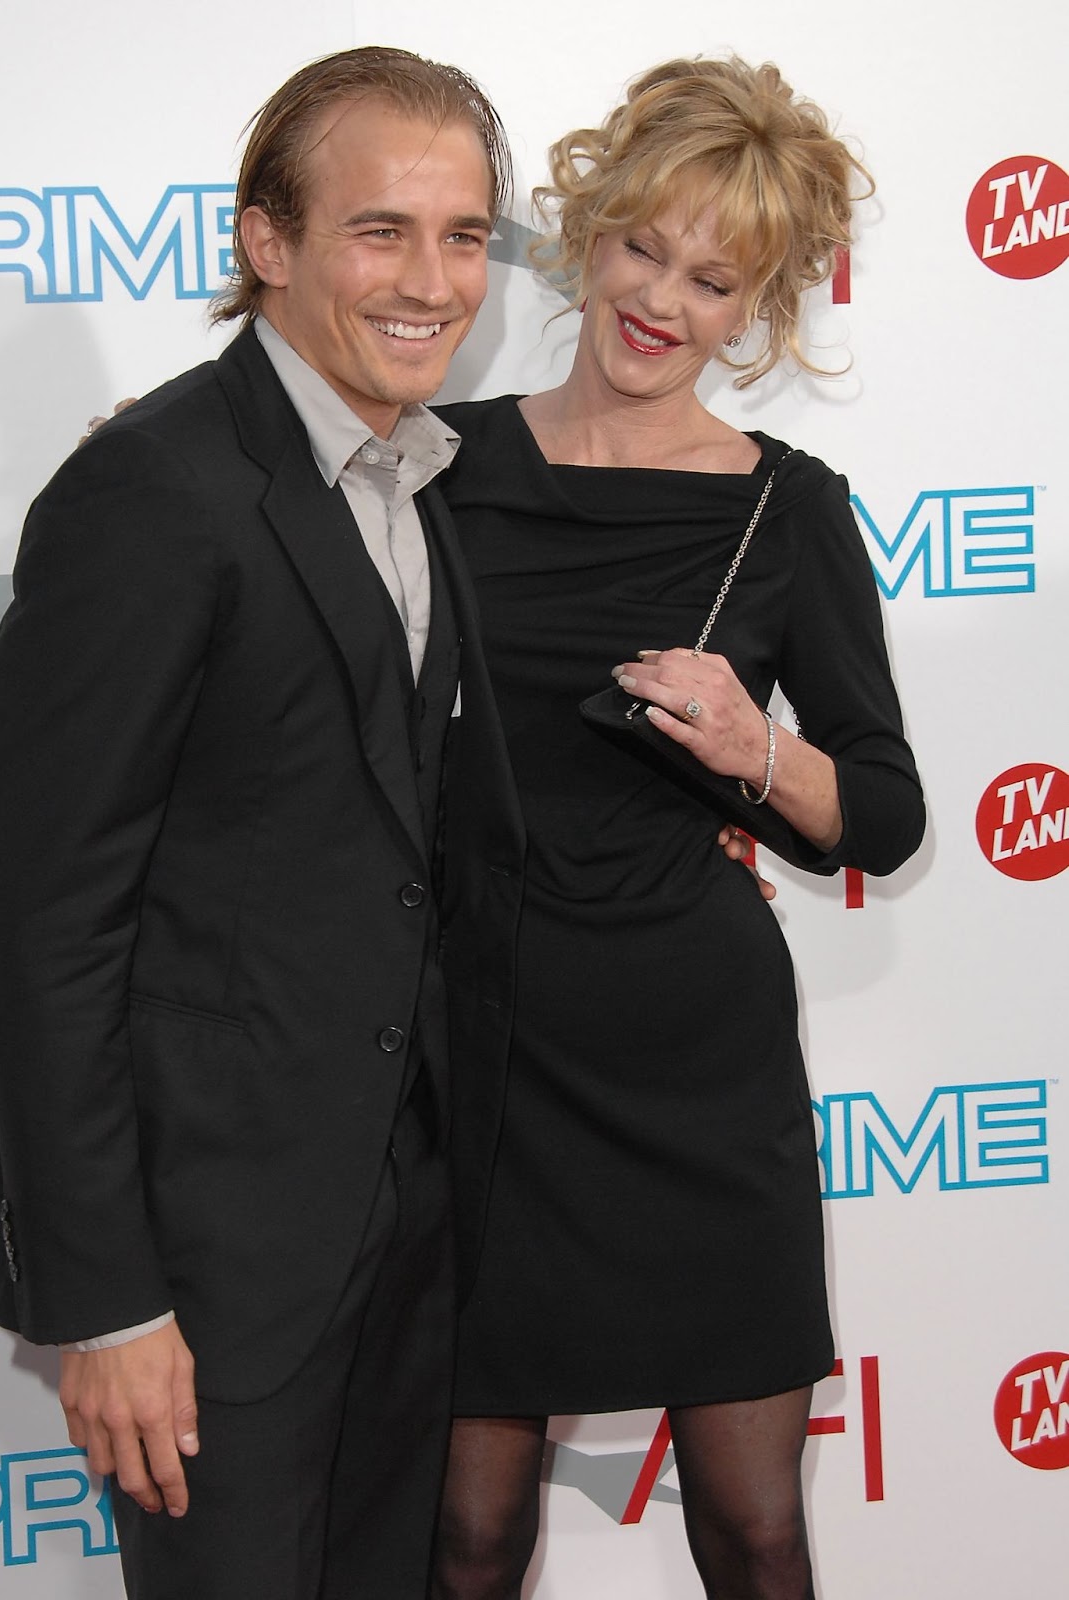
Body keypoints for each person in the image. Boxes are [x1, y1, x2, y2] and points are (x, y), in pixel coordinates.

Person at [0, 46, 527, 1600]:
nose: (432, 282)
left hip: (399, 1233)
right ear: (264, 244)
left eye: (465, 235)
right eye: (380, 230)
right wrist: (109, 1302)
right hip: (205, 1274)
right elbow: (42, 918)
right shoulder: (153, 491)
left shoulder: (416, 482)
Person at [428, 57, 925, 1600]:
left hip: (694, 1069)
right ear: (590, 233)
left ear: (760, 310)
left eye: (717, 281)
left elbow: (884, 818)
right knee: (464, 1530)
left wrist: (754, 751)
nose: (663, 301)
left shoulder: (787, 511)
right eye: (645, 248)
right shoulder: (432, 469)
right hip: (476, 1051)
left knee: (755, 1526)